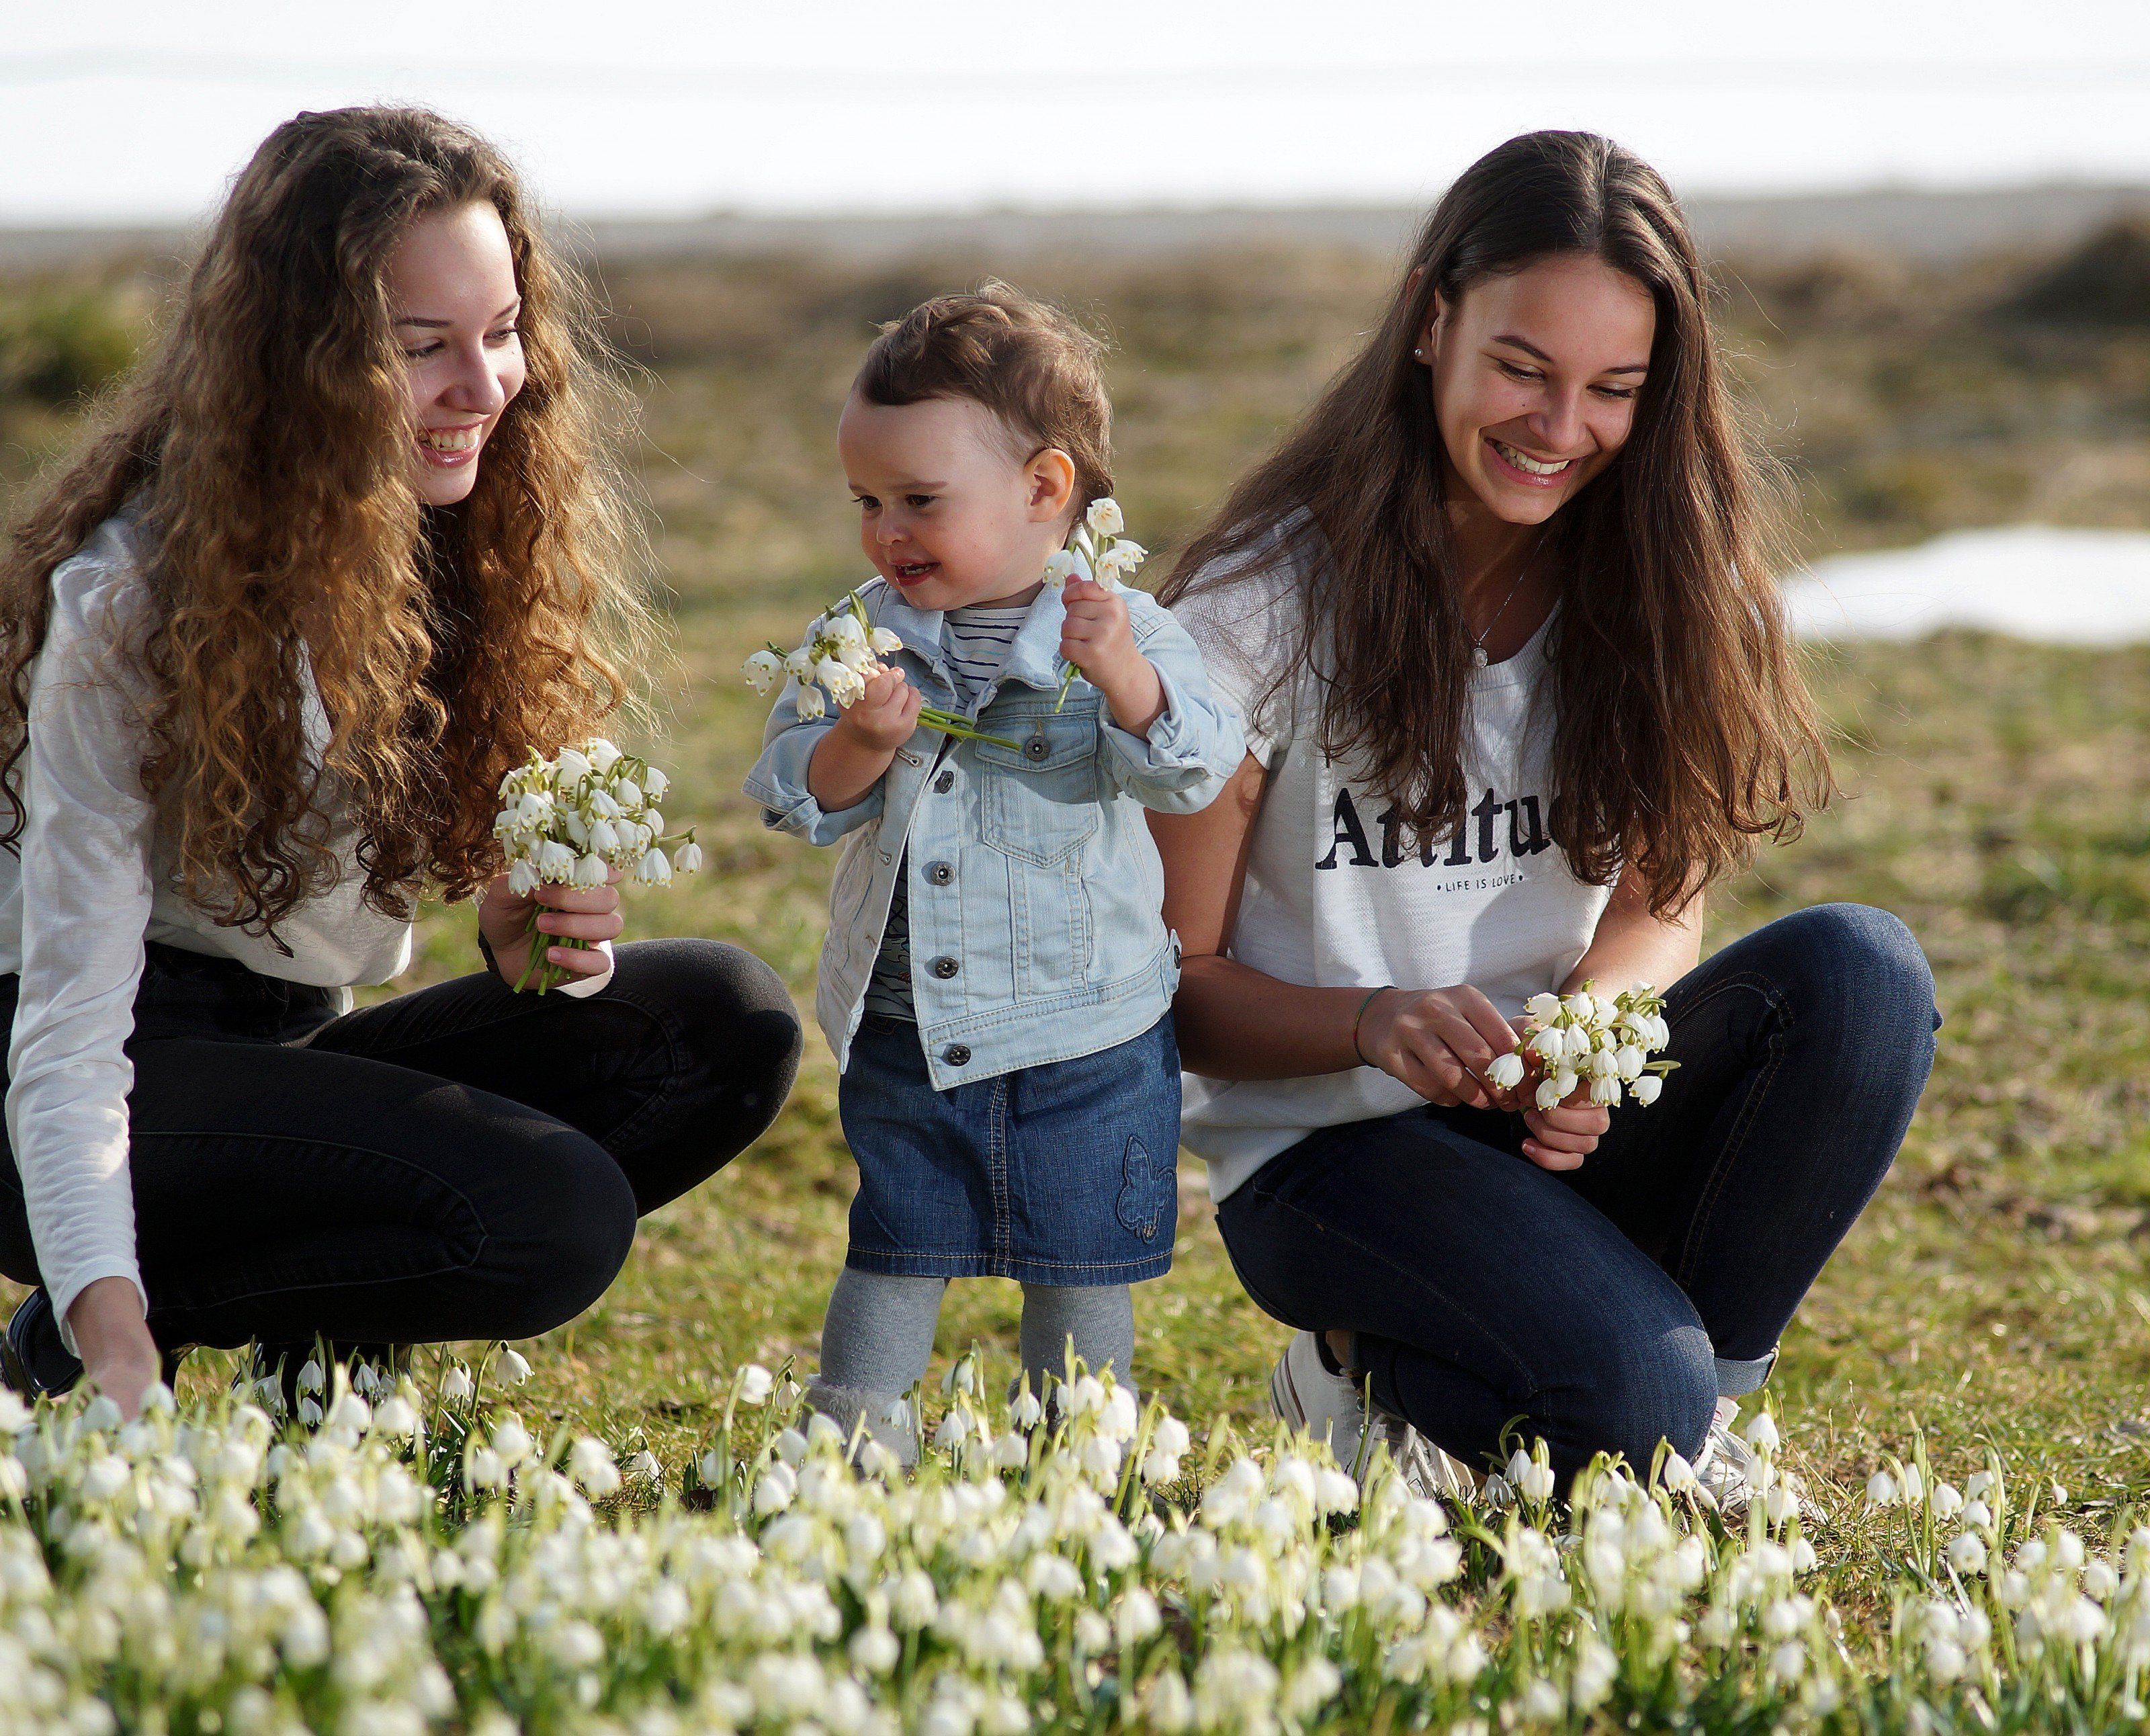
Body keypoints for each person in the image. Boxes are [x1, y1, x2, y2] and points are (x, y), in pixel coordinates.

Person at [1154, 131, 1938, 1500]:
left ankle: (1702, 1415)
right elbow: (1178, 987)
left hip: (1552, 1124)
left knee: (1860, 974)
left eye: (1613, 389)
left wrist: (1592, 1033)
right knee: (1623, 1393)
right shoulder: (1252, 616)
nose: (1560, 427)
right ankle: (1361, 1362)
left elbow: (1659, 901)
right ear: (1431, 321)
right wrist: (1373, 1020)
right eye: (1522, 368)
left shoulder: (1666, 581)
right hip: (1329, 1151)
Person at [0, 107, 800, 1418]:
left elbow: (410, 955)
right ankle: (82, 1333)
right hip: (70, 1081)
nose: (484, 386)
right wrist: (108, 1314)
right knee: (550, 1215)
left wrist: (533, 942)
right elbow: (70, 1029)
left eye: (502, 331)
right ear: (298, 364)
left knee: (721, 1019)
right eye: (422, 346)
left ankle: (293, 1329)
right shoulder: (131, 606)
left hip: (286, 1053)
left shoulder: (454, 545)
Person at [746, 286, 1242, 1461]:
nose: (887, 531)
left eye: (920, 500)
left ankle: (1084, 1445)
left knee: (1081, 1260)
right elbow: (789, 793)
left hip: (1089, 1027)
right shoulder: (861, 638)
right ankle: (855, 1434)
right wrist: (857, 746)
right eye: (867, 502)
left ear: (1044, 488)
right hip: (909, 1018)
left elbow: (1197, 771)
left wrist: (1125, 681)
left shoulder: (1119, 626)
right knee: (896, 1237)